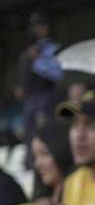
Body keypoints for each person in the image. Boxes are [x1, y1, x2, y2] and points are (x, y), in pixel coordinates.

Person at [16, 11, 63, 169]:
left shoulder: (53, 49)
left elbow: (56, 74)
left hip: (46, 97)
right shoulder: (30, 50)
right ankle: (31, 164)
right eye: (34, 26)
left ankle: (48, 164)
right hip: (30, 100)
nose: (36, 30)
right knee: (29, 136)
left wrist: (38, 60)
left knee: (44, 132)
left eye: (40, 25)